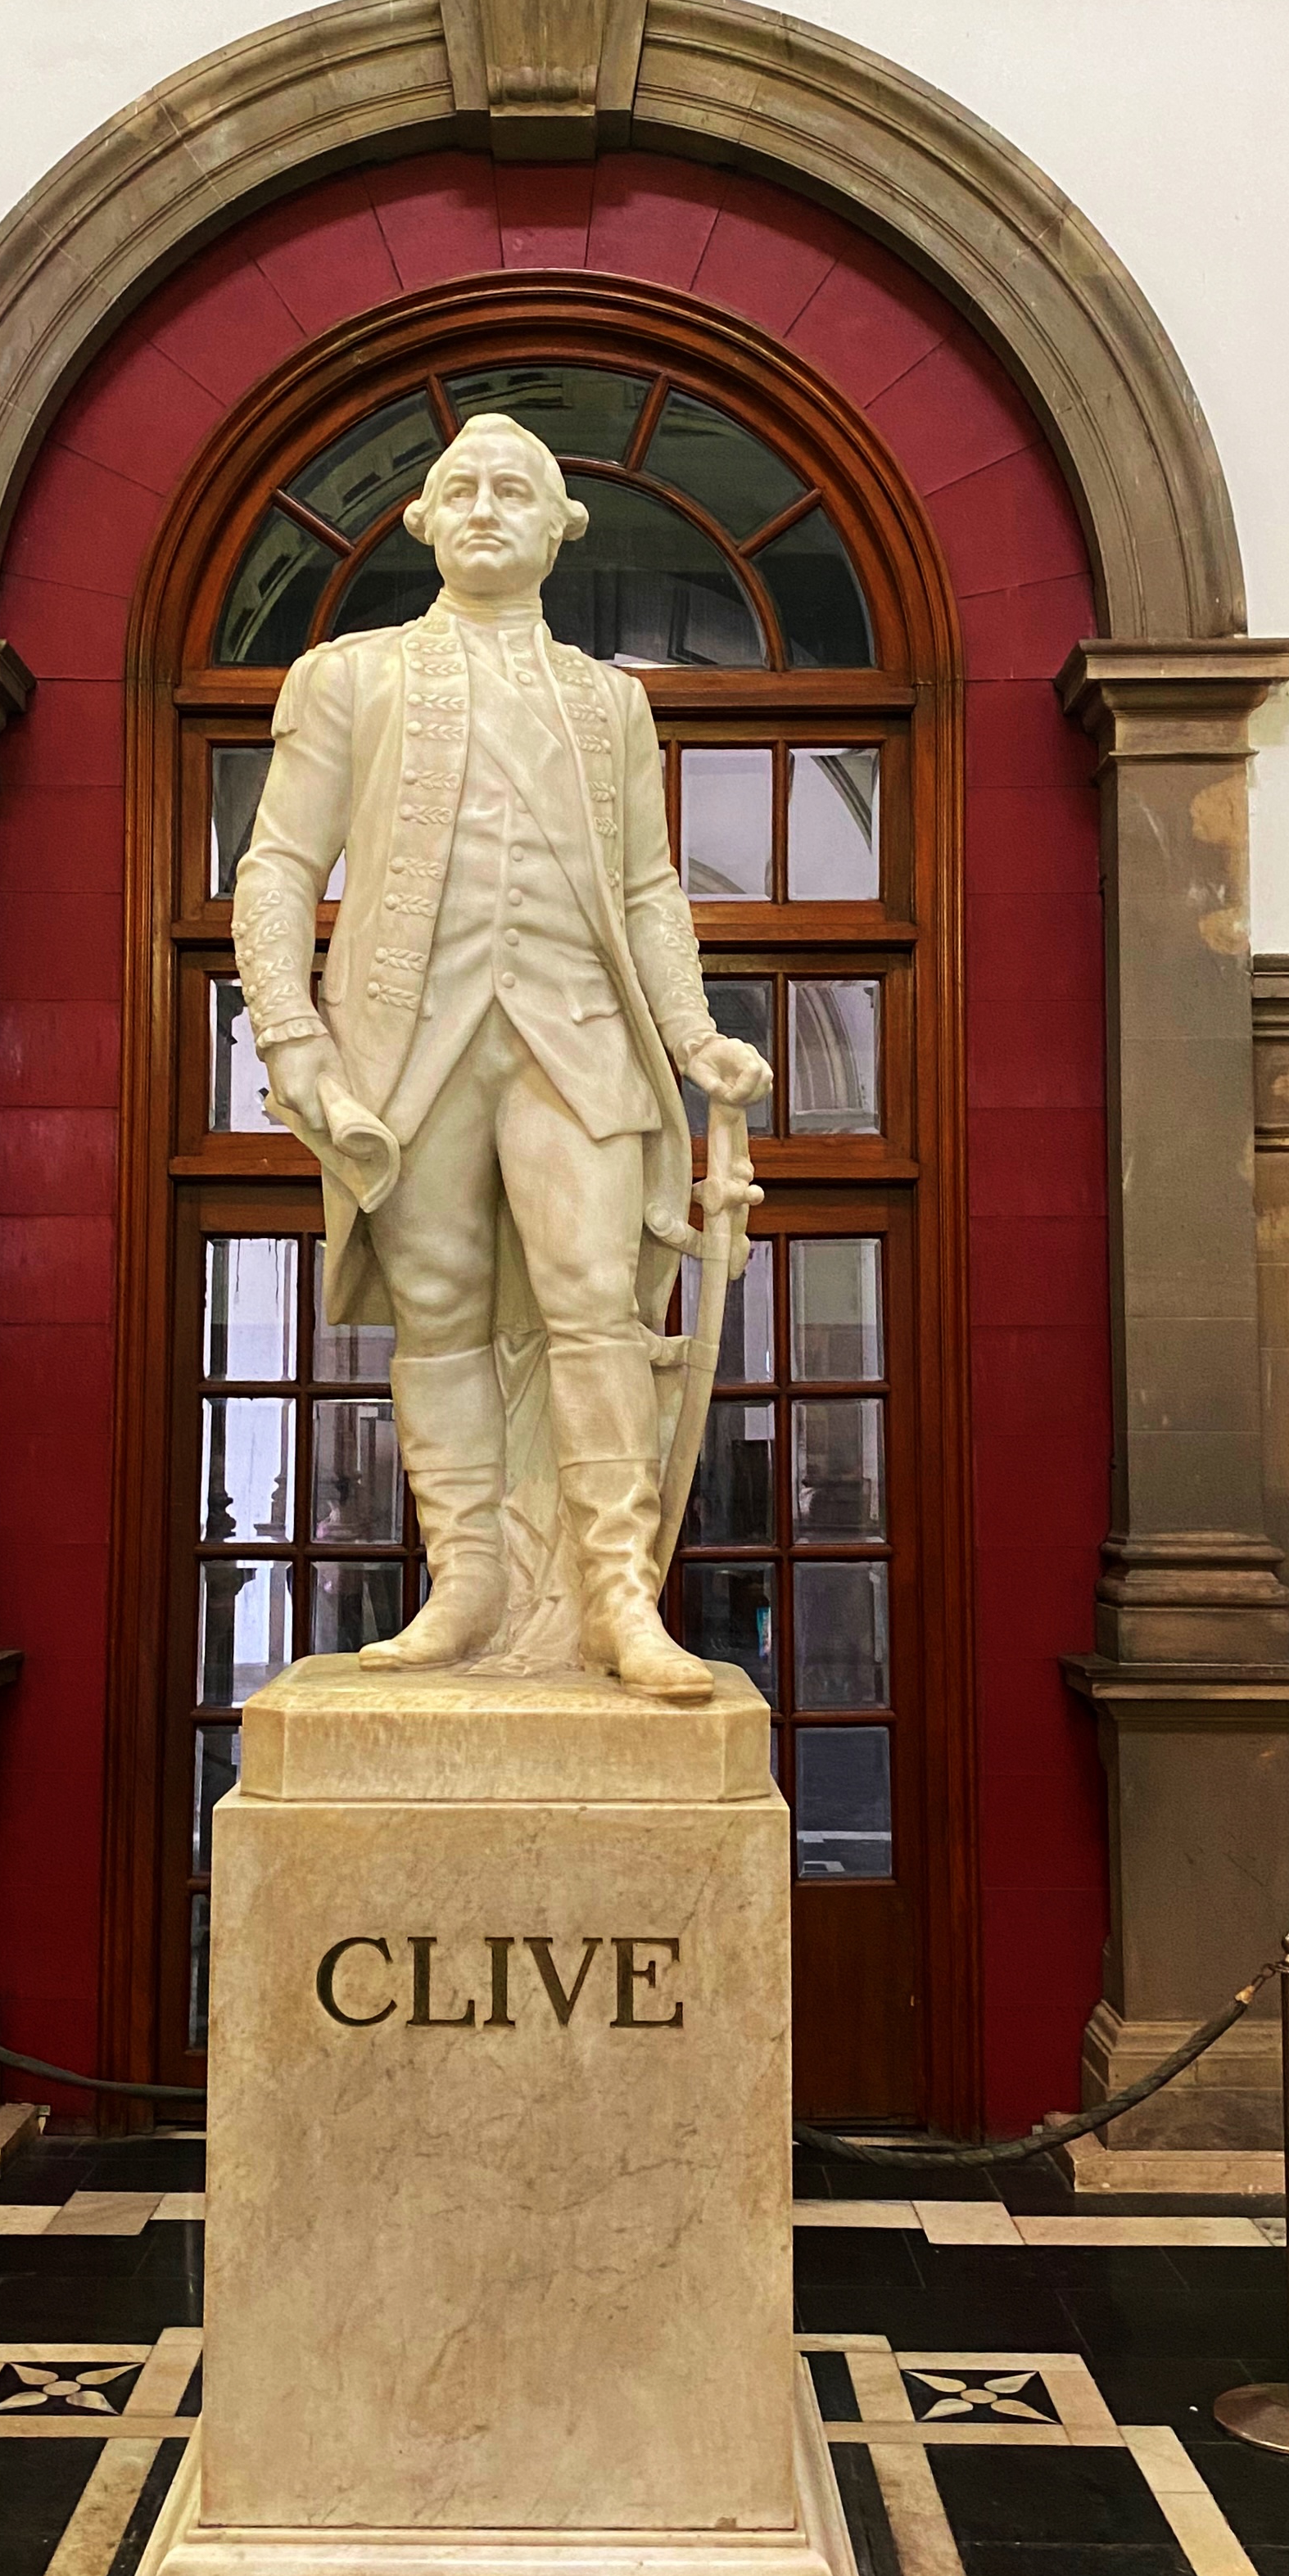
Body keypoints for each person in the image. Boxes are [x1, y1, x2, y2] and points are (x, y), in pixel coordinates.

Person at [231, 411, 772, 1702]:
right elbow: (279, 865)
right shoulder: (349, 678)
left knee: (596, 1302)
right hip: (405, 1043)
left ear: (558, 528)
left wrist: (695, 1035)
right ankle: (467, 1581)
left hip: (576, 1033)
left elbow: (647, 888)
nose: (483, 506)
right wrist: (291, 1032)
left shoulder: (610, 704)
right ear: (422, 520)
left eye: (513, 489)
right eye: (460, 487)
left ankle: (620, 1593)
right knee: (438, 1312)